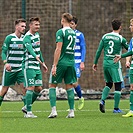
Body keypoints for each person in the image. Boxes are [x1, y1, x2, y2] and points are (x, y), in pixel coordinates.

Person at [92, 19, 128, 113]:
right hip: (115, 63)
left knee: (108, 83)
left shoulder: (105, 36)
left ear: (112, 27)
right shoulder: (121, 39)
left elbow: (99, 51)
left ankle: (102, 100)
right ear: (120, 27)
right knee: (118, 84)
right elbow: (130, 50)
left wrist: (95, 63)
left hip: (105, 63)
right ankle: (116, 108)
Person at [48, 13, 77, 118]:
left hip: (61, 62)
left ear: (63, 20)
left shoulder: (61, 32)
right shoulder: (74, 33)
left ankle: (54, 110)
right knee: (69, 86)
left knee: (52, 85)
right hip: (71, 63)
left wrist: (55, 65)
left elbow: (58, 49)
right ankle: (72, 111)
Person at [21, 17, 48, 118]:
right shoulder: (26, 37)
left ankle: (26, 106)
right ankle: (29, 112)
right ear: (30, 25)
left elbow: (38, 50)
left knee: (39, 88)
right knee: (30, 88)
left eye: (39, 25)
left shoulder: (37, 35)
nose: (38, 27)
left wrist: (43, 62)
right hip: (29, 66)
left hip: (36, 66)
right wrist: (35, 56)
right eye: (36, 25)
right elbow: (30, 49)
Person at [0, 18, 26, 107]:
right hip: (10, 69)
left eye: (25, 26)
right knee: (4, 90)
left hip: (20, 69)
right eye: (22, 26)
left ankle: (27, 111)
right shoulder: (9, 38)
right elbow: (3, 52)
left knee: (24, 88)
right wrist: (5, 63)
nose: (24, 28)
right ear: (16, 27)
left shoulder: (25, 39)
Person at [114, 18, 133, 117]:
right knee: (132, 87)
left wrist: (121, 56)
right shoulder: (132, 40)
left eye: (131, 25)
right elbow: (130, 51)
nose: (130, 27)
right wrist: (127, 61)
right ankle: (131, 110)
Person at [69, 16, 86, 110]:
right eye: (69, 23)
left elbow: (83, 48)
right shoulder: (66, 34)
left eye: (72, 24)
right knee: (69, 83)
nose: (71, 25)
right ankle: (72, 106)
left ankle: (80, 97)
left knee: (74, 82)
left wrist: (82, 62)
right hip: (68, 62)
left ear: (75, 25)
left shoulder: (79, 35)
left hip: (77, 62)